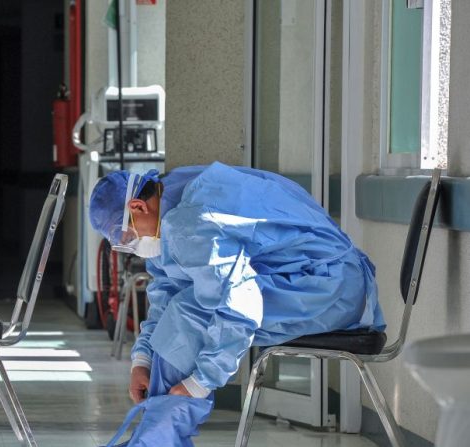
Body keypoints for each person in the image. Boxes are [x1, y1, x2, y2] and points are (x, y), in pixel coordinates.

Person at [90, 163, 385, 446]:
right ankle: (158, 434)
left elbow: (236, 306)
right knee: (186, 306)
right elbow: (166, 289)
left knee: (193, 313)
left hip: (329, 288)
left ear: (138, 207)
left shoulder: (188, 222)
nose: (132, 244)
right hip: (314, 278)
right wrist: (142, 362)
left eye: (126, 237)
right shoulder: (171, 195)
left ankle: (158, 437)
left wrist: (201, 382)